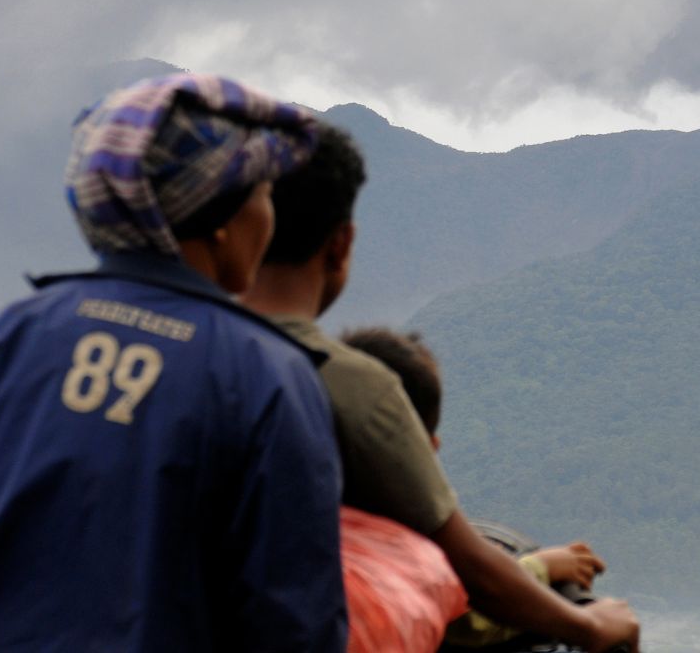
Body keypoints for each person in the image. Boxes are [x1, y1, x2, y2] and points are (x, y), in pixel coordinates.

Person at [0, 74, 347, 652]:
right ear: (221, 224)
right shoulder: (265, 375)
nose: (269, 219)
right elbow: (296, 617)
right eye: (263, 197)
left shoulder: (7, 334)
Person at [243, 121, 639, 653]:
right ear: (342, 245)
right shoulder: (350, 385)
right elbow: (470, 575)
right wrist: (588, 623)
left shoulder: (186, 354)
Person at [341, 326, 607, 648]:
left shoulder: (293, 516)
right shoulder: (401, 549)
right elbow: (463, 618)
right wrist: (540, 570)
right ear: (425, 450)